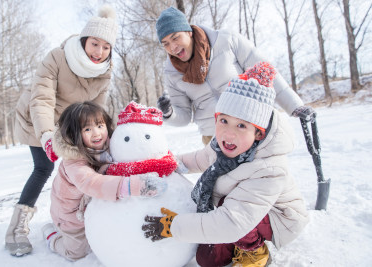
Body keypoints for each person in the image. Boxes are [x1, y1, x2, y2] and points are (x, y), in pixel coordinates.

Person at [142, 62, 309, 267]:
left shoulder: (269, 169)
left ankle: (256, 253)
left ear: (259, 133)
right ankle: (239, 242)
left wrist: (173, 226)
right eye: (224, 121)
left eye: (241, 125)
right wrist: (167, 164)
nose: (229, 133)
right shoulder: (223, 147)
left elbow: (232, 221)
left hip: (278, 218)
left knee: (229, 215)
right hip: (237, 210)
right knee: (207, 260)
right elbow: (200, 159)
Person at [5, 5, 118, 256]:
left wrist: (103, 134)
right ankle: (16, 229)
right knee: (43, 167)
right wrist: (47, 135)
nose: (99, 52)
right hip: (37, 119)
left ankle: (80, 214)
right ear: (84, 41)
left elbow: (97, 108)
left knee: (89, 163)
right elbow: (42, 99)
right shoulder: (58, 57)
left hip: (70, 125)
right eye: (95, 44)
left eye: (106, 47)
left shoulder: (104, 71)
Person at [155, 6, 316, 145]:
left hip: (250, 126)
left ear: (188, 32)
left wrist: (294, 106)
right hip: (215, 138)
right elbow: (183, 115)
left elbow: (265, 71)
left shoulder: (226, 40)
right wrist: (169, 113)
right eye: (166, 44)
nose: (173, 47)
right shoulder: (172, 73)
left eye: (175, 38)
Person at [41, 101, 166, 261]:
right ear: (73, 134)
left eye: (100, 126)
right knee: (77, 253)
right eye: (87, 129)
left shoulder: (109, 145)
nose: (96, 133)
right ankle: (52, 237)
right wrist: (134, 186)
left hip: (92, 205)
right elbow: (92, 183)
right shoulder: (73, 162)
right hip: (71, 216)